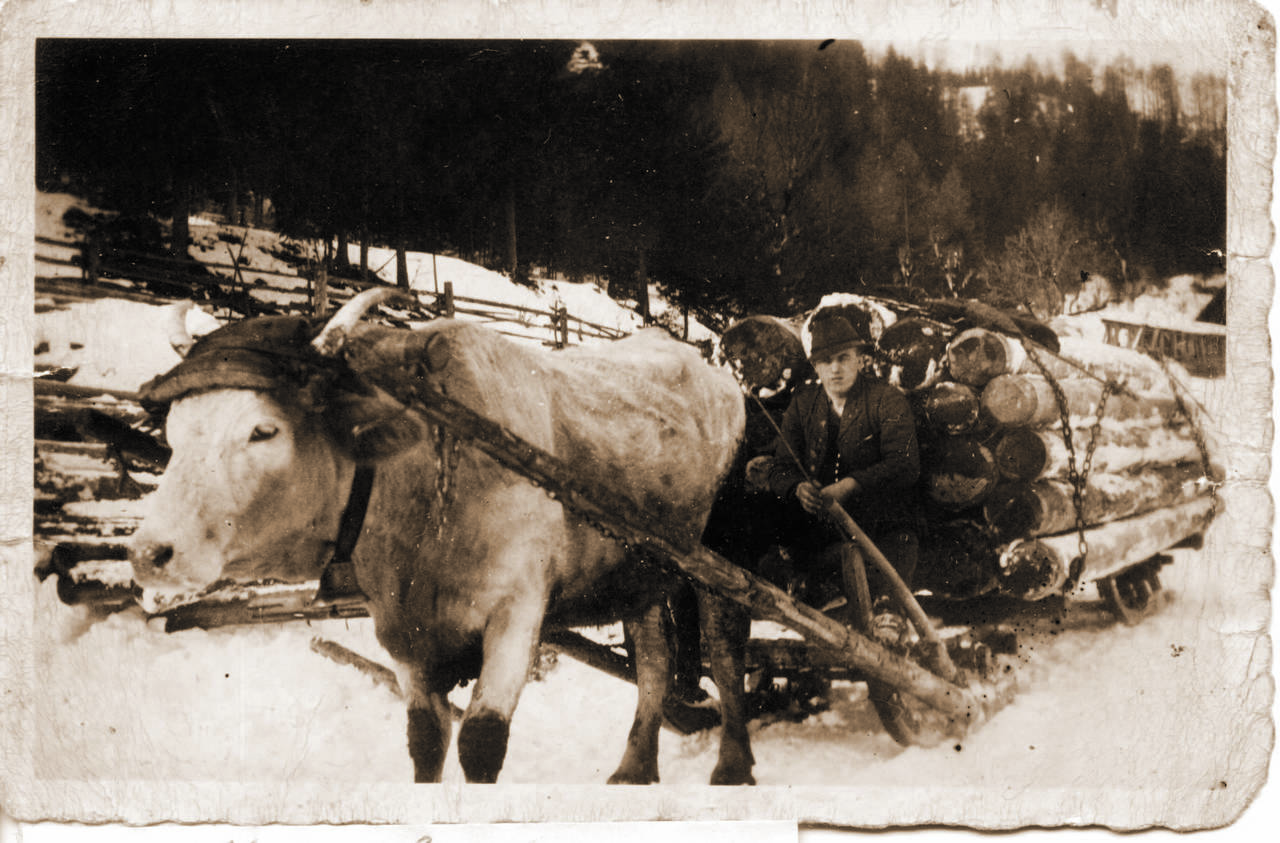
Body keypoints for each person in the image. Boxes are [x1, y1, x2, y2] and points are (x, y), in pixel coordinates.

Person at [765, 312, 921, 648]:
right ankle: (810, 589)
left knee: (901, 532)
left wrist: (850, 485)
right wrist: (796, 488)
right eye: (825, 361)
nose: (835, 369)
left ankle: (888, 610)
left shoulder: (886, 399)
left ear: (860, 361)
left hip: (875, 520)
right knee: (778, 526)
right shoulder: (804, 403)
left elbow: (904, 464)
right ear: (815, 367)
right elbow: (780, 466)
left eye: (843, 358)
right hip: (821, 522)